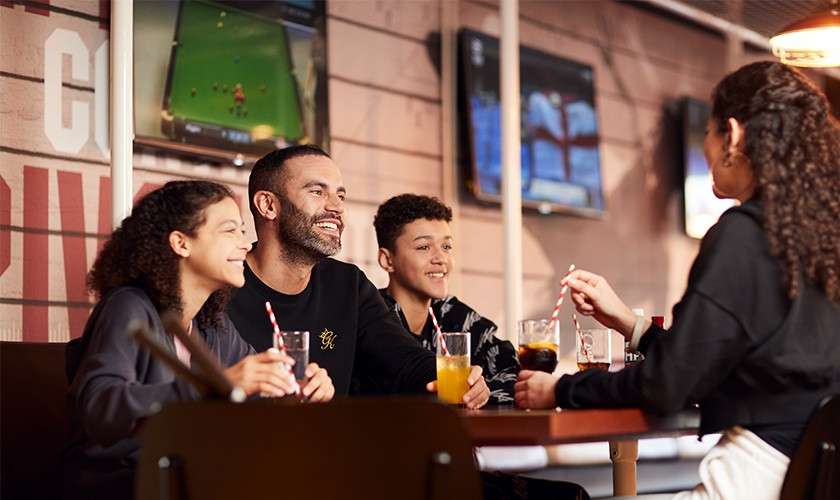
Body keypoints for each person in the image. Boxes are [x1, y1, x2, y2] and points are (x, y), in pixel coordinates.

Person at [515, 61, 840, 500]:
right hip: (812, 472)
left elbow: (666, 387)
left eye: (706, 133)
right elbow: (703, 362)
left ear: (733, 134)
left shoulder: (743, 235)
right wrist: (629, 325)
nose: (705, 148)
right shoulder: (820, 241)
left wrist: (561, 388)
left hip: (756, 474)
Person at [63, 181, 335, 499]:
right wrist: (214, 384)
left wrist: (294, 393)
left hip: (186, 480)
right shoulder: (129, 306)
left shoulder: (212, 325)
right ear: (181, 243)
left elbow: (254, 402)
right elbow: (100, 407)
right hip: (119, 486)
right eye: (229, 230)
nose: (245, 244)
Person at [226, 145, 490, 408]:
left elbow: (403, 359)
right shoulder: (223, 288)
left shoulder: (347, 284)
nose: (336, 207)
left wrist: (456, 380)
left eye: (340, 196)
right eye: (317, 192)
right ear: (268, 205)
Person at [366, 193, 519, 404]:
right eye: (423, 247)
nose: (441, 259)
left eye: (446, 246)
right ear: (387, 259)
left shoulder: (453, 315)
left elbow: (515, 374)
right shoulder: (370, 317)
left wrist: (481, 392)